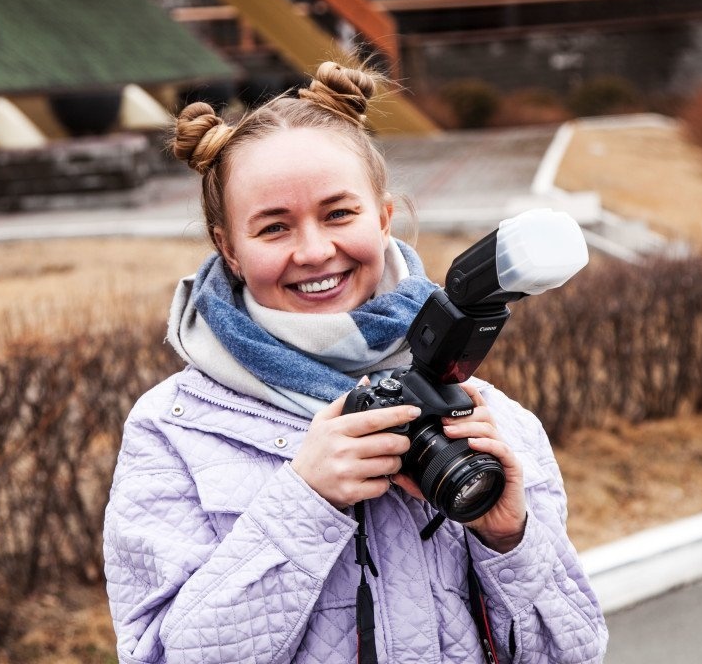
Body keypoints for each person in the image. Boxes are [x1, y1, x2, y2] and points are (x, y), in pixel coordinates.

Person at [103, 61, 608, 663]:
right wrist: (304, 501)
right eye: (273, 228)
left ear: (384, 218)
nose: (315, 251)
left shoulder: (491, 419)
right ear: (229, 250)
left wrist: (509, 540)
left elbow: (574, 653)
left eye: (339, 214)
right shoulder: (175, 430)